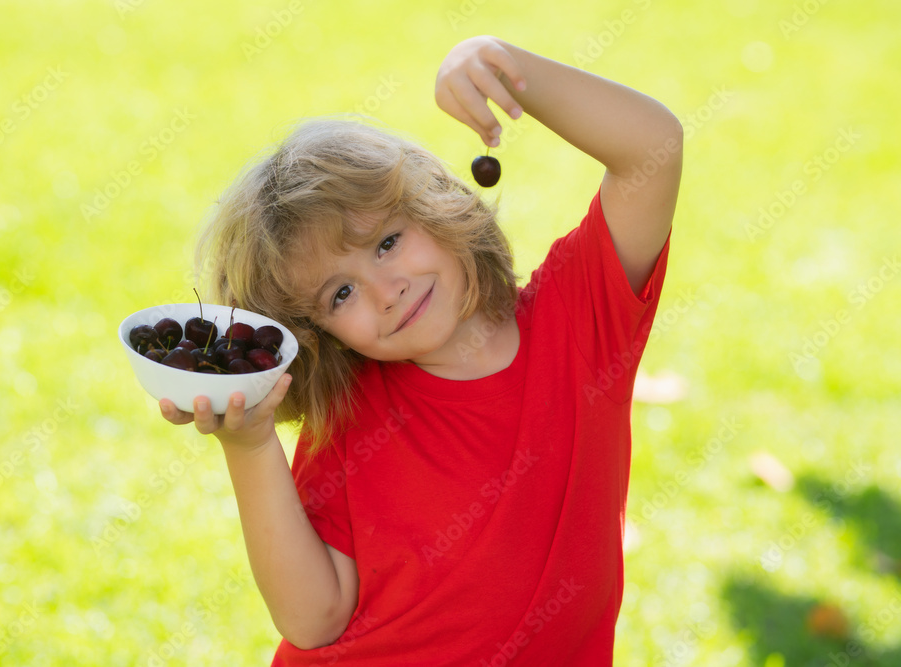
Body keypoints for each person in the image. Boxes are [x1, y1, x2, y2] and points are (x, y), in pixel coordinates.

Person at [159, 35, 682, 665]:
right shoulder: (357, 418)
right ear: (319, 333)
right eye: (341, 292)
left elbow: (652, 149)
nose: (385, 291)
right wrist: (249, 445)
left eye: (386, 242)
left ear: (437, 204)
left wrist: (500, 68)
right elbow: (313, 619)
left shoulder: (579, 322)